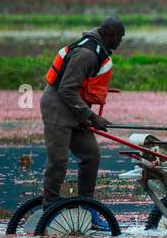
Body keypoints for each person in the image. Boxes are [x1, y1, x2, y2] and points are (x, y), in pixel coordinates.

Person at [40, 17, 125, 219]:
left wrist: (85, 114)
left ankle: (88, 207)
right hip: (58, 107)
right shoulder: (86, 54)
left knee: (91, 155)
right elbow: (67, 89)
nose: (120, 42)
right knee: (58, 161)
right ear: (111, 34)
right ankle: (49, 209)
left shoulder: (98, 50)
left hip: (75, 109)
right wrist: (92, 116)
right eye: (120, 37)